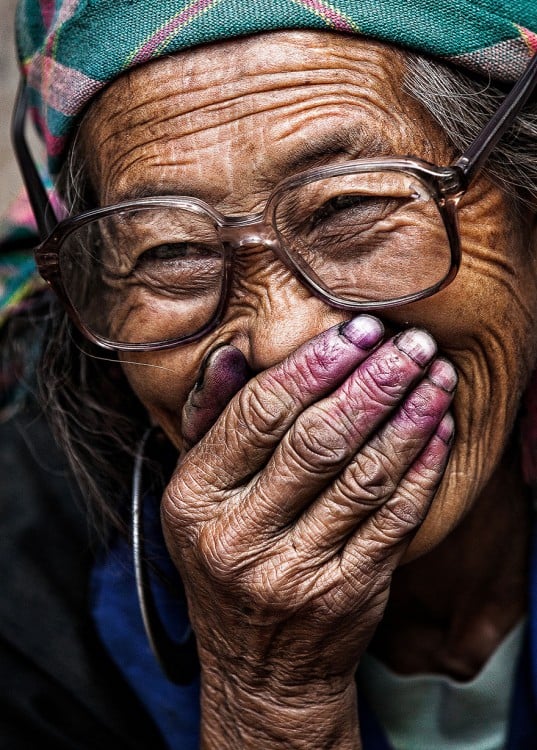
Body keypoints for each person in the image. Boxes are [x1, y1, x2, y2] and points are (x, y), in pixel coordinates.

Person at [3, 0, 537, 747]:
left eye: (349, 206)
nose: (287, 344)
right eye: (171, 252)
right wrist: (271, 703)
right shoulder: (23, 584)